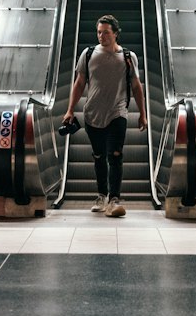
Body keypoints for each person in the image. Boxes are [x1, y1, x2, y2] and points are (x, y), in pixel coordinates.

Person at [63, 14, 147, 218]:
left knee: (115, 155)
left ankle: (114, 199)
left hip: (118, 112)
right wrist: (70, 110)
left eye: (106, 33)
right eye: (99, 32)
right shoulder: (88, 54)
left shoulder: (128, 57)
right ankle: (101, 196)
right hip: (92, 113)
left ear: (116, 33)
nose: (102, 36)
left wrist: (143, 114)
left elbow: (136, 85)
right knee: (99, 157)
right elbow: (79, 82)